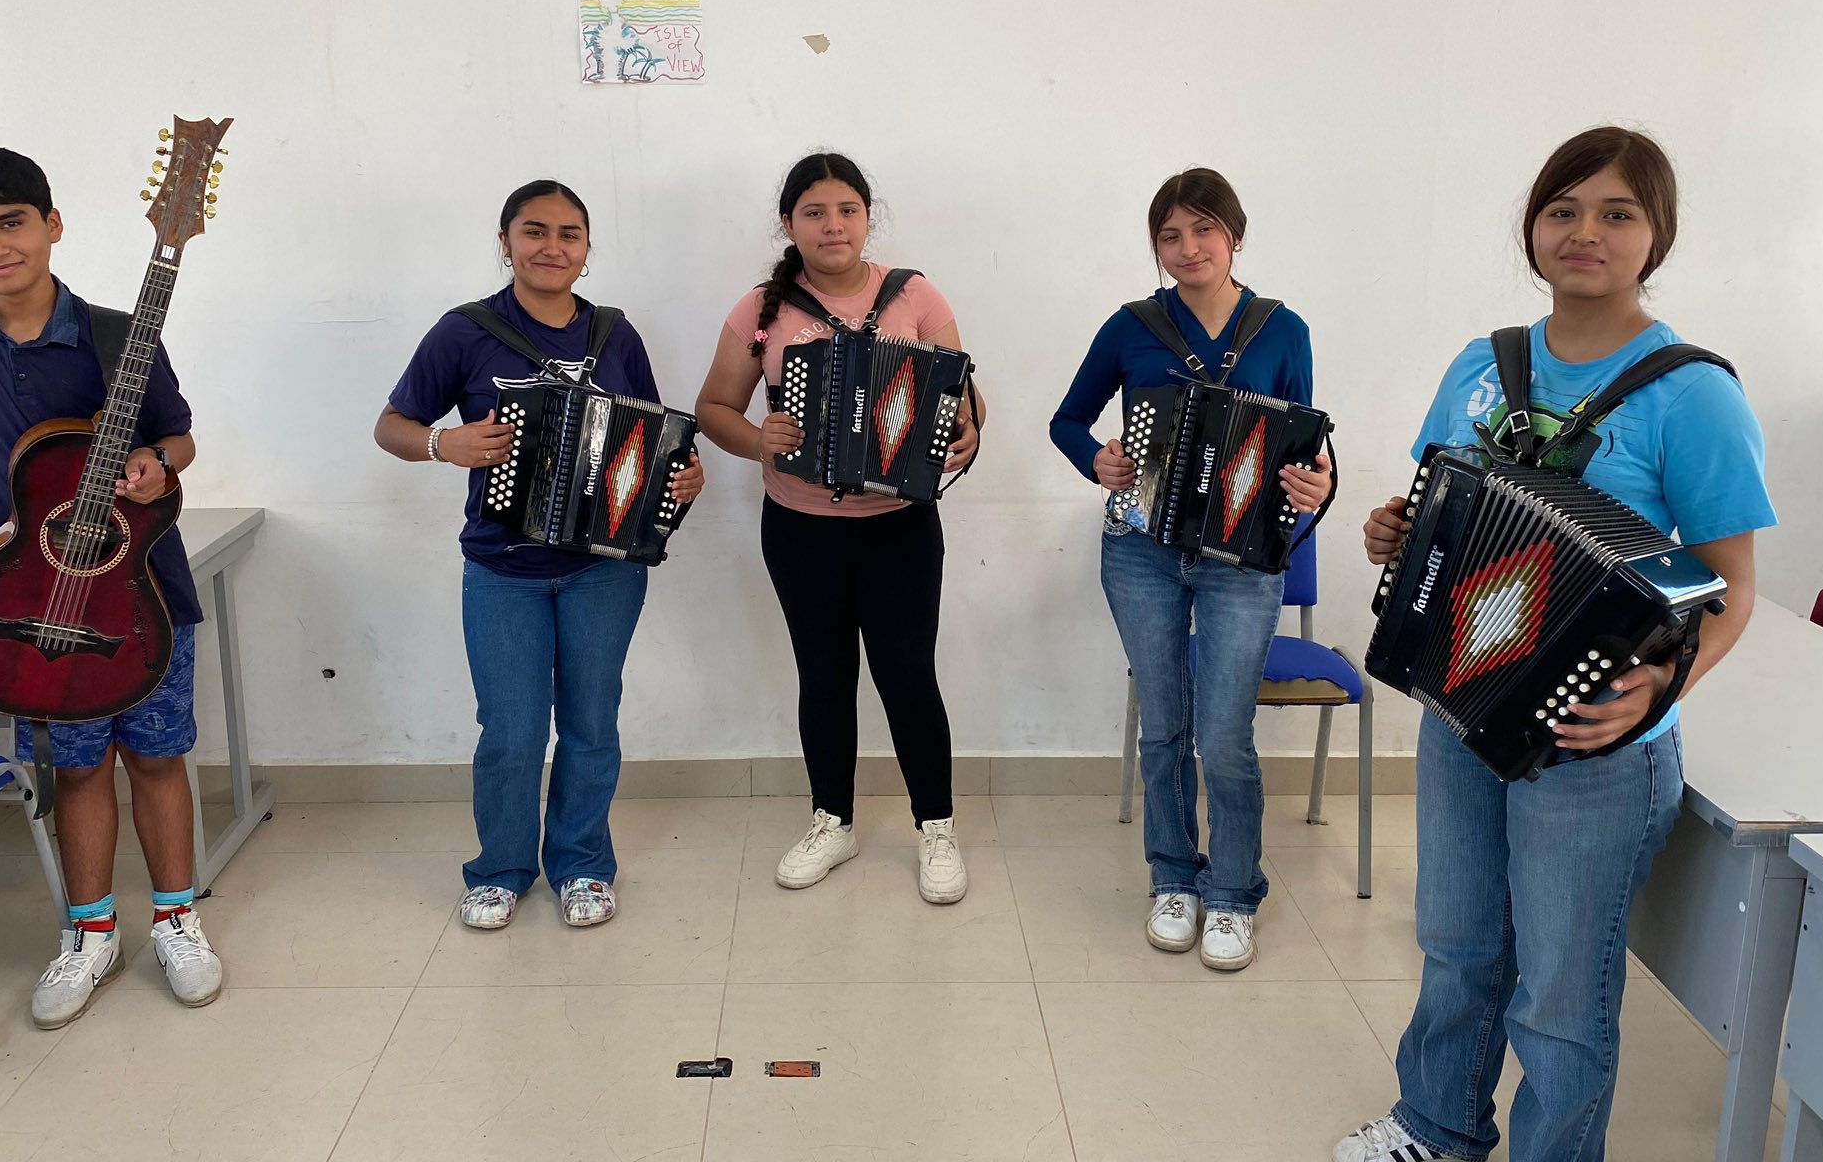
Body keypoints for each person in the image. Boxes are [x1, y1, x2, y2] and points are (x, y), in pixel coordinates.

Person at [1332, 128, 1775, 1162]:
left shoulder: (1691, 393)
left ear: (1654, 236)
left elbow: (1728, 591)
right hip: (1461, 711)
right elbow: (1443, 502)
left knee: (1563, 991)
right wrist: (1395, 527)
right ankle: (1438, 1118)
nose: (1585, 233)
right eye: (1563, 208)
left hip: (1596, 743)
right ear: (1531, 227)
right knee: (1457, 943)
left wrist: (1653, 691)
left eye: (1618, 213)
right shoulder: (1481, 363)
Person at [0, 146, 222, 1027]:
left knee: (157, 757)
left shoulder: (121, 333)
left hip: (140, 589)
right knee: (77, 768)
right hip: (21, 599)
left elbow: (178, 440)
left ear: (51, 224)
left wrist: (156, 465)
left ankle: (175, 918)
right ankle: (90, 935)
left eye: (10, 222)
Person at [375, 179, 703, 931]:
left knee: (592, 722)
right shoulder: (463, 331)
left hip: (603, 568)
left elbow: (655, 438)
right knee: (513, 729)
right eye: (534, 231)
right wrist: (441, 443)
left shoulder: (615, 334)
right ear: (505, 241)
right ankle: (500, 870)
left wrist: (682, 476)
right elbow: (391, 424)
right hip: (501, 568)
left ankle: (583, 864)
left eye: (569, 234)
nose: (552, 247)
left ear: (587, 251)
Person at [1050, 167, 1331, 971]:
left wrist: (1316, 483)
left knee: (1224, 734)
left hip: (1242, 561)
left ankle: (1235, 891)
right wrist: (1094, 459)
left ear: (1234, 235)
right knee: (1165, 724)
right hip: (1139, 548)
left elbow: (1305, 444)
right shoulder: (1133, 326)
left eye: (1203, 229)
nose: (1187, 248)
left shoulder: (1283, 329)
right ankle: (1173, 877)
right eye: (1169, 235)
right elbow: (1067, 419)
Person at [694, 152, 984, 903]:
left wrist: (968, 434)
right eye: (815, 213)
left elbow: (965, 398)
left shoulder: (913, 295)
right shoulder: (761, 308)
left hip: (899, 525)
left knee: (908, 678)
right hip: (800, 528)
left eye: (847, 210)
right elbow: (715, 410)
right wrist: (758, 438)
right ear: (790, 224)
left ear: (867, 218)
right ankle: (834, 820)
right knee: (824, 677)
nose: (833, 225)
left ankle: (936, 826)